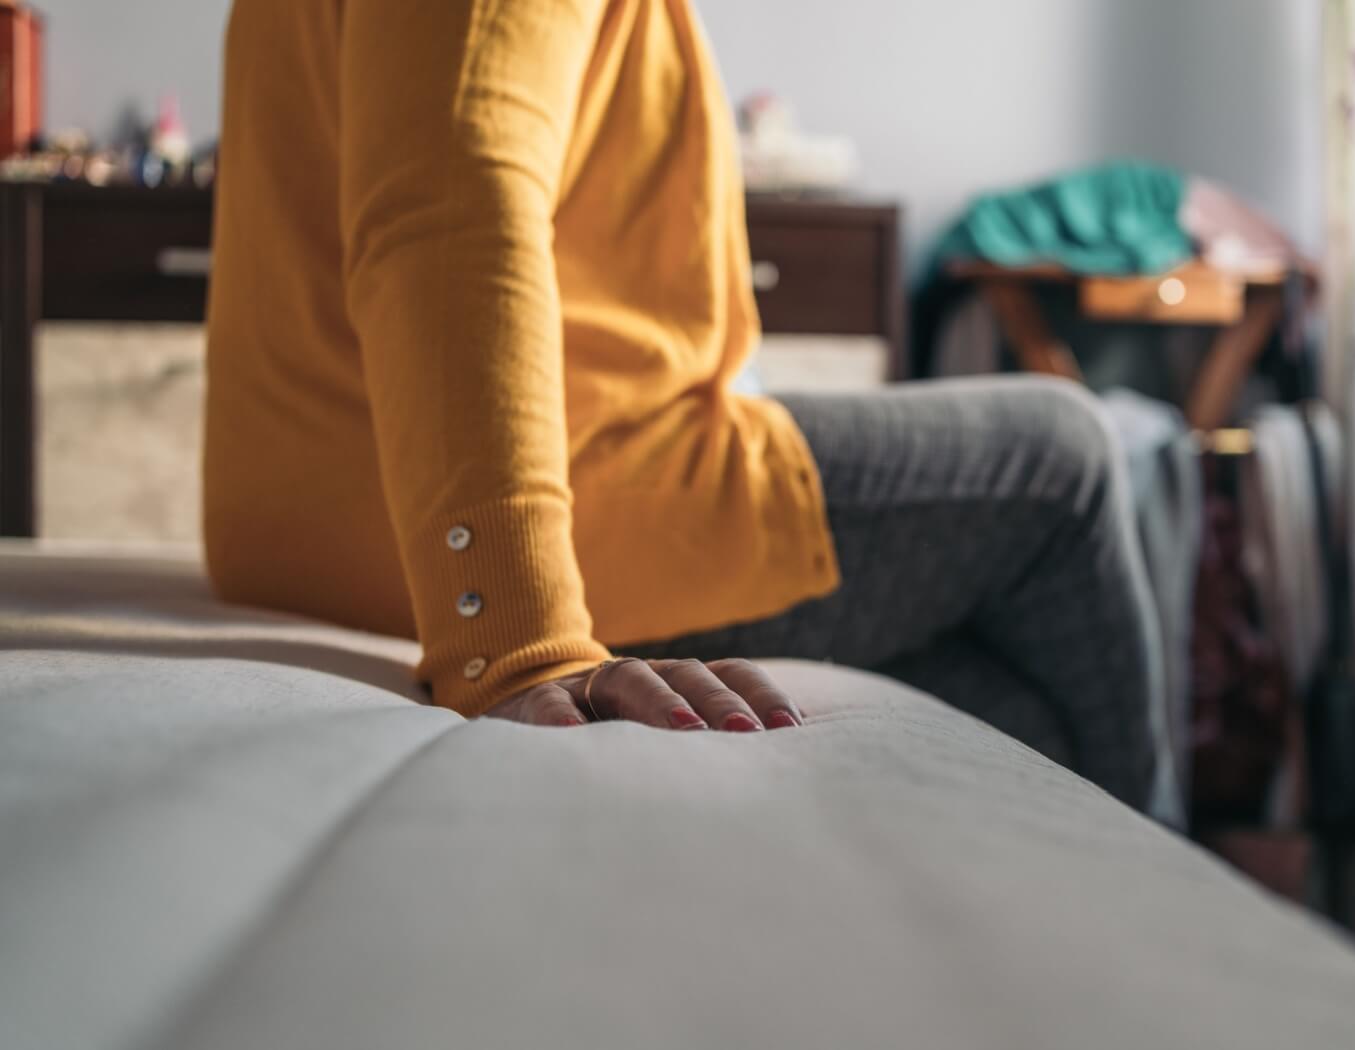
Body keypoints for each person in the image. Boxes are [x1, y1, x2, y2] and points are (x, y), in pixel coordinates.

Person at [204, 0, 1172, 811]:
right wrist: (511, 634)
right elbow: (452, 208)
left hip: (313, 517)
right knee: (1061, 457)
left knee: (1026, 709)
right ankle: (1169, 916)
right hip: (528, 505)